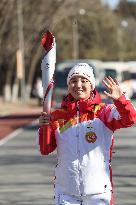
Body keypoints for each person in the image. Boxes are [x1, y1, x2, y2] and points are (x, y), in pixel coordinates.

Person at [38, 63, 136, 205]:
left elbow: (130, 119)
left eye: (84, 81)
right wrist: (44, 128)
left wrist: (120, 99)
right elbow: (45, 149)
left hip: (98, 193)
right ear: (68, 86)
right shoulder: (58, 116)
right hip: (66, 193)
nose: (78, 85)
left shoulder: (104, 112)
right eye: (73, 81)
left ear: (91, 85)